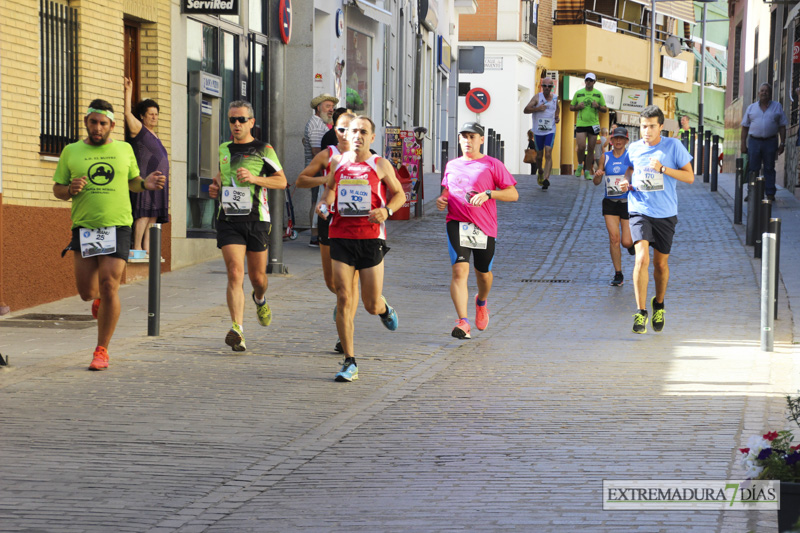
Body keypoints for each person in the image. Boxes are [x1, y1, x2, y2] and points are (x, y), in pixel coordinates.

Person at [52, 99, 165, 370]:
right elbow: (57, 188)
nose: (98, 127)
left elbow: (133, 181)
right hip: (85, 227)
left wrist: (145, 184)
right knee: (87, 292)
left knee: (109, 283)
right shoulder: (71, 151)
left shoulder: (124, 150)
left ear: (112, 125)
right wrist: (70, 189)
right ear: (86, 122)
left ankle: (101, 350)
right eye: (93, 122)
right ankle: (100, 302)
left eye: (103, 123)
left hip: (118, 225)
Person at [319, 115, 405, 382]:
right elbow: (329, 191)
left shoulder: (379, 164)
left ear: (372, 137)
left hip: (370, 239)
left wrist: (386, 210)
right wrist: (323, 206)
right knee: (344, 297)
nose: (357, 135)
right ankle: (350, 361)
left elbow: (400, 194)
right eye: (353, 131)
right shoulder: (337, 162)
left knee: (369, 304)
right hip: (341, 236)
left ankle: (384, 308)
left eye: (363, 132)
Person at [208, 100, 287, 351]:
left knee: (258, 278)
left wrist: (254, 178)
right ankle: (237, 330)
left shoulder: (264, 149)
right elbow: (222, 176)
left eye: (242, 119)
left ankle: (260, 298)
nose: (237, 124)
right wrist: (215, 187)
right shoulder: (224, 148)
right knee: (234, 271)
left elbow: (282, 182)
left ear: (251, 122)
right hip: (229, 219)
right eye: (232, 120)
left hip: (256, 219)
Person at [436, 122, 519, 340]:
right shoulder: (452, 165)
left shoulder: (492, 164)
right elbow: (447, 190)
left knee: (483, 274)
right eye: (464, 136)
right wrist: (443, 199)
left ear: (481, 140)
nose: (467, 141)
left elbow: (513, 194)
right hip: (456, 222)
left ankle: (481, 302)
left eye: (472, 137)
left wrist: (490, 194)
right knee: (459, 271)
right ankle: (463, 322)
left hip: (484, 226)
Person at [619, 105, 694, 334]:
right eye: (643, 126)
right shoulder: (633, 149)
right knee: (641, 258)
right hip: (639, 208)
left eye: (652, 126)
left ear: (661, 127)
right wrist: (625, 182)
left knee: (660, 265)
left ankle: (658, 303)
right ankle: (641, 312)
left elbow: (689, 177)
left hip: (665, 213)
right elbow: (629, 170)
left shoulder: (673, 146)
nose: (647, 131)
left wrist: (663, 169)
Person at [297, 112, 359, 353]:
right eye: (341, 129)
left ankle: (346, 334)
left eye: (351, 129)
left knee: (349, 285)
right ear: (335, 130)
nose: (345, 134)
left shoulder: (368, 158)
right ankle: (343, 302)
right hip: (328, 218)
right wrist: (328, 178)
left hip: (355, 224)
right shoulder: (328, 155)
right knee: (332, 283)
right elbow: (301, 180)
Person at [123, 77, 170, 253]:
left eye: (156, 114)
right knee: (143, 213)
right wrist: (129, 91)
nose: (154, 117)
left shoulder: (155, 135)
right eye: (150, 114)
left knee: (153, 215)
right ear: (142, 116)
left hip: (157, 184)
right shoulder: (139, 130)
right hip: (145, 180)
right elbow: (127, 114)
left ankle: (148, 248)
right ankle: (136, 248)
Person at [592, 126, 635, 287]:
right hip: (610, 202)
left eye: (621, 139)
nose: (618, 141)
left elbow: (635, 177)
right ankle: (618, 273)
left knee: (625, 241)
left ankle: (631, 246)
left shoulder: (630, 157)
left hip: (627, 202)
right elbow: (596, 182)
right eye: (615, 138)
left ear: (626, 141)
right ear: (611, 140)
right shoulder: (605, 157)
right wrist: (597, 175)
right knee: (614, 239)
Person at [741, 83, 787, 201]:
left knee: (769, 168)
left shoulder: (777, 106)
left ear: (770, 93)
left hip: (770, 141)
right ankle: (752, 193)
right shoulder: (751, 108)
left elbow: (782, 126)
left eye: (766, 91)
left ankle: (770, 193)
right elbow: (745, 127)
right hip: (754, 141)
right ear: (758, 93)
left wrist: (782, 143)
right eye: (762, 91)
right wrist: (743, 144)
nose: (764, 93)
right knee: (753, 168)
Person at [303, 93, 338, 246]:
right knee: (317, 201)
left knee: (318, 200)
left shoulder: (319, 123)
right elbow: (317, 152)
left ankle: (316, 234)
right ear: (318, 108)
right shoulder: (317, 125)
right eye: (327, 106)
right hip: (317, 170)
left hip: (317, 169)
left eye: (332, 107)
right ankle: (315, 235)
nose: (331, 110)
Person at [570, 73, 607, 180]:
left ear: (594, 82)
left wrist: (598, 106)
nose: (589, 82)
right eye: (587, 80)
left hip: (594, 124)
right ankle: (580, 165)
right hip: (581, 123)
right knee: (581, 146)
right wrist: (578, 106)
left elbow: (605, 109)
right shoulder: (579, 93)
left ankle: (587, 171)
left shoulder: (598, 94)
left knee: (591, 149)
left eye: (591, 80)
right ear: (585, 81)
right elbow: (571, 107)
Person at [523, 76, 559, 189]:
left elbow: (557, 108)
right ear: (542, 86)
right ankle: (540, 171)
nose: (547, 88)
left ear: (552, 87)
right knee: (539, 156)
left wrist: (557, 117)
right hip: (538, 132)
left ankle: (546, 179)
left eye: (549, 86)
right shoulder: (537, 98)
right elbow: (525, 110)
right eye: (545, 86)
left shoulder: (555, 98)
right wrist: (537, 109)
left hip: (550, 130)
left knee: (548, 153)